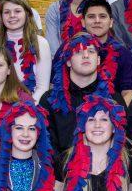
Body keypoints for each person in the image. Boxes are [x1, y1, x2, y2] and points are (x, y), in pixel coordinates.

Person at [41, 32, 125, 161]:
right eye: (79, 51)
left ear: (98, 60)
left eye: (91, 51)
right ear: (68, 61)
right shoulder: (49, 100)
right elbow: (46, 144)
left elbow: (122, 142)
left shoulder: (114, 100)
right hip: (60, 173)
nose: (86, 55)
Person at [0, 0, 51, 101]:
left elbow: (43, 88)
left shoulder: (41, 43)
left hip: (32, 106)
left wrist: (24, 109)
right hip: (1, 105)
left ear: (27, 14)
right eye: (6, 12)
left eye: (17, 11)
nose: (12, 15)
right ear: (1, 17)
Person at [82, 0, 132, 103]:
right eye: (91, 17)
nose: (97, 21)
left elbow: (129, 92)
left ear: (111, 22)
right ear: (83, 22)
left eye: (102, 16)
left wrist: (114, 114)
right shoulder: (70, 49)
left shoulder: (123, 53)